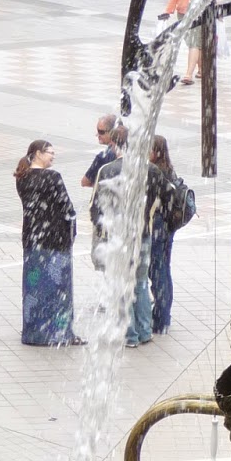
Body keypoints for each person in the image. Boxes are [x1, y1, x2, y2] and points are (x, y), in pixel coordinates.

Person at [91, 128, 174, 347]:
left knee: (121, 285)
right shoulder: (151, 170)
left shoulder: (107, 170)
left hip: (118, 238)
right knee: (140, 283)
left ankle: (128, 335)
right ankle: (145, 331)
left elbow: (95, 208)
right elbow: (169, 196)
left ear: (115, 145)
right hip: (143, 236)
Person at [15, 140, 81, 347]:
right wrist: (72, 230)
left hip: (33, 239)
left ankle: (34, 332)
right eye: (50, 152)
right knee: (58, 288)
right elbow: (67, 208)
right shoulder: (53, 177)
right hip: (55, 240)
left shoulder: (22, 178)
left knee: (34, 287)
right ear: (38, 153)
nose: (53, 156)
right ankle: (59, 333)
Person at [148, 135, 182, 333]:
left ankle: (160, 318)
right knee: (164, 270)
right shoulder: (168, 170)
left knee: (158, 271)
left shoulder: (156, 172)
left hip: (157, 225)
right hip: (168, 227)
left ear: (156, 151)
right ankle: (164, 315)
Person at [163, 0, 202, 80]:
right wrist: (169, 10)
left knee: (194, 43)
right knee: (193, 42)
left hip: (197, 13)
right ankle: (202, 68)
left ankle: (188, 74)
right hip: (182, 12)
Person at [81, 118, 121, 187]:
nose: (97, 135)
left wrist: (101, 186)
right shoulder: (130, 152)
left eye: (101, 132)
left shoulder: (103, 157)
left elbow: (84, 182)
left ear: (112, 132)